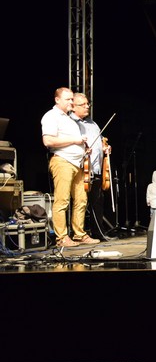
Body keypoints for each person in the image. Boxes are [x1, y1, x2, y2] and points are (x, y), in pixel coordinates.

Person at [41, 87, 100, 247]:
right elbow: (48, 141)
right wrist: (75, 141)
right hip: (63, 161)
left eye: (72, 99)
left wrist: (83, 149)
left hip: (77, 163)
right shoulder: (51, 116)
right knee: (62, 200)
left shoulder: (68, 119)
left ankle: (79, 234)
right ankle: (62, 238)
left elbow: (73, 141)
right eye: (68, 99)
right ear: (57, 100)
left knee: (81, 199)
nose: (71, 102)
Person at [71, 92, 116, 241]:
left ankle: (99, 233)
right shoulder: (70, 123)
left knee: (97, 201)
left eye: (87, 104)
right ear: (73, 106)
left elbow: (101, 140)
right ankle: (77, 233)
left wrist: (105, 147)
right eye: (83, 104)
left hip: (95, 168)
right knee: (79, 201)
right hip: (80, 167)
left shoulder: (93, 123)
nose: (87, 107)